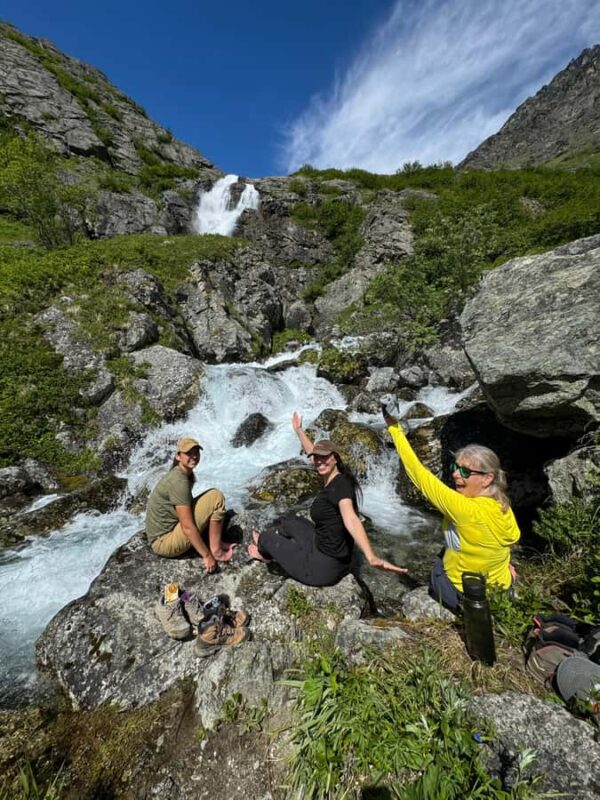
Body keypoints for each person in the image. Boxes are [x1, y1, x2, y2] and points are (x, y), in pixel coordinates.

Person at [381, 399, 520, 613]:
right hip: (502, 593)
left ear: (487, 479)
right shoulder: (502, 505)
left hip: (468, 598)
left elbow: (418, 474)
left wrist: (394, 427)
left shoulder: (463, 508)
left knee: (438, 563)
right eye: (456, 467)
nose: (455, 474)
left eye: (465, 471)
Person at [247, 412, 407, 586]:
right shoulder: (334, 476)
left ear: (335, 458)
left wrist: (371, 556)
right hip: (322, 546)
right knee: (289, 521)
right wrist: (299, 430)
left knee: (265, 538)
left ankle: (264, 555)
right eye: (317, 458)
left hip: (322, 568)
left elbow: (351, 519)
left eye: (325, 457)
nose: (320, 461)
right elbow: (312, 453)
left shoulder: (340, 487)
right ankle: (287, 546)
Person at [145, 437, 234, 574]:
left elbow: (187, 507)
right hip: (163, 542)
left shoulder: (182, 473)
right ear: (178, 456)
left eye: (196, 452)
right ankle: (216, 551)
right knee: (215, 497)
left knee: (211, 496)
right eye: (188, 453)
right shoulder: (179, 481)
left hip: (166, 533)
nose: (194, 456)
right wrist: (207, 556)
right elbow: (187, 526)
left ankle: (216, 542)